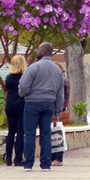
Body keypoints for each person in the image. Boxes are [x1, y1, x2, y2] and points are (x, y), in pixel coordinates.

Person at [19, 42, 65, 172]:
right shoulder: (57, 70)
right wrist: (57, 110)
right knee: (46, 134)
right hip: (48, 104)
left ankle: (28, 164)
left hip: (32, 103)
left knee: (29, 134)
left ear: (43, 51)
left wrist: (24, 94)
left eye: (38, 48)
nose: (36, 51)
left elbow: (23, 86)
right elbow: (60, 93)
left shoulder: (33, 67)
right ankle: (45, 164)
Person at [4, 55, 27, 167]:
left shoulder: (8, 78)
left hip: (10, 106)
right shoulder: (24, 77)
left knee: (11, 132)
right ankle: (18, 159)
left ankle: (8, 158)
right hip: (21, 107)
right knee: (20, 133)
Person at [51, 62, 70, 166]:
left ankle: (57, 158)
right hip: (61, 107)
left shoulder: (61, 80)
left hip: (58, 108)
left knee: (57, 134)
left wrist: (58, 110)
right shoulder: (64, 79)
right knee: (56, 133)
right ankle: (55, 157)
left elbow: (61, 96)